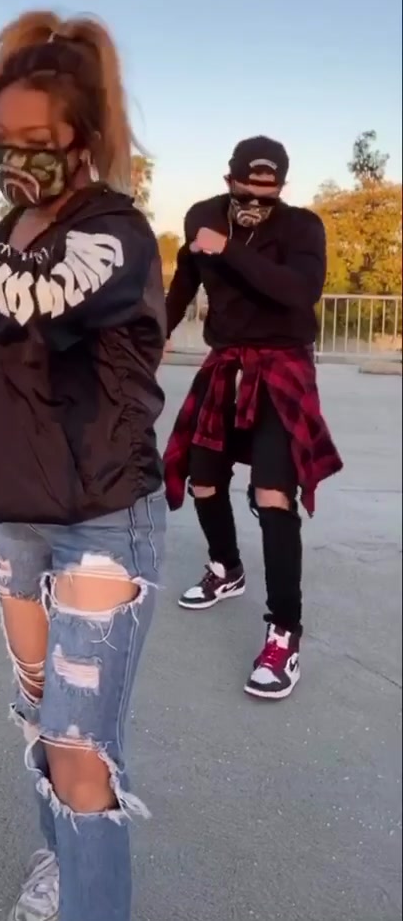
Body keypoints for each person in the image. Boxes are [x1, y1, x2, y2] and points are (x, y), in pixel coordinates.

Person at [0, 12, 166, 921]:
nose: (13, 156)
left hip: (102, 518)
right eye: (2, 137)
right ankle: (60, 864)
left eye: (36, 138)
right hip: (20, 513)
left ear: (85, 140)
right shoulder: (13, 227)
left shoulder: (113, 234)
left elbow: (18, 304)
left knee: (78, 749)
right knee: (38, 718)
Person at [163, 136, 343, 700]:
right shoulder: (201, 216)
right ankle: (226, 567)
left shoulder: (302, 227)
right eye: (247, 191)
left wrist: (229, 250)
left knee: (273, 495)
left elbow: (300, 291)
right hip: (226, 361)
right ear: (229, 181)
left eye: (269, 193)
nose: (257, 202)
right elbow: (183, 283)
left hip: (283, 364)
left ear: (281, 188)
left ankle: (284, 633)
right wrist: (154, 334)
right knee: (203, 477)